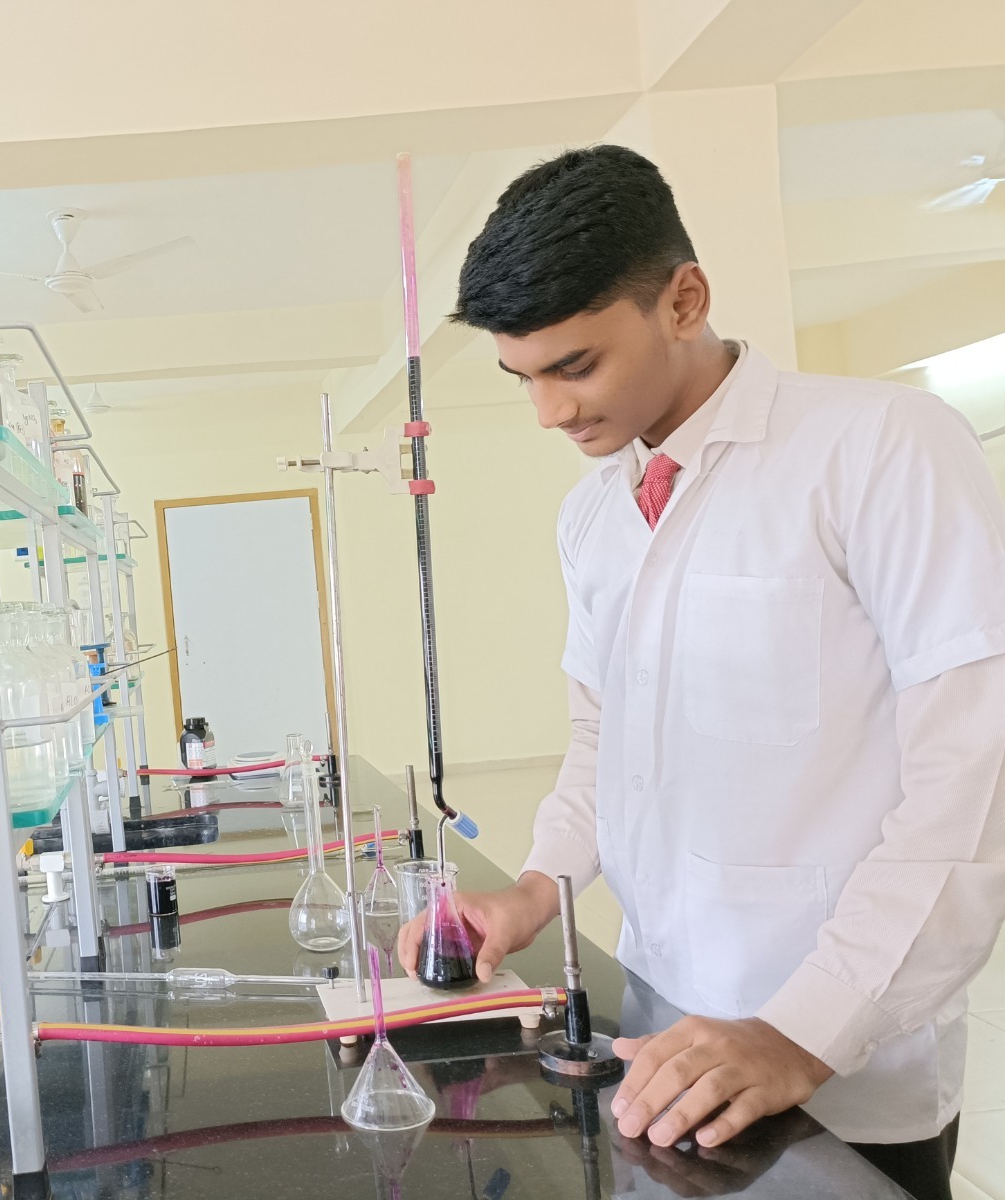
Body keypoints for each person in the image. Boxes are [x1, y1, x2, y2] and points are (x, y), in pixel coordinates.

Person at [396, 144, 1005, 1200]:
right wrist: (537, 890)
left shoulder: (881, 449)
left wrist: (798, 1033)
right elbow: (605, 738)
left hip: (838, 1062)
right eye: (523, 378)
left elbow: (973, 780)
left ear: (683, 300)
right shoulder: (592, 515)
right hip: (662, 1044)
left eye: (574, 366)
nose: (548, 413)